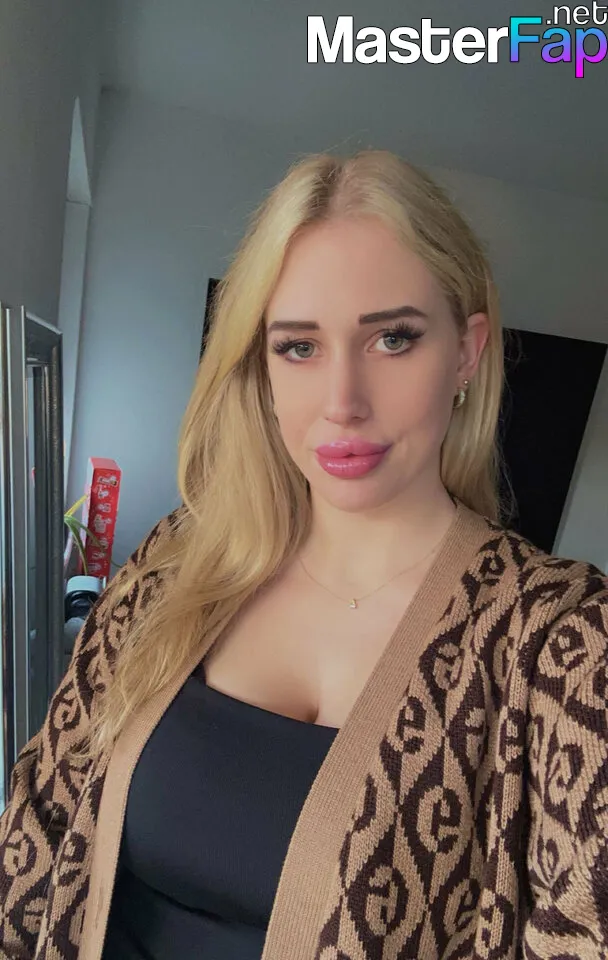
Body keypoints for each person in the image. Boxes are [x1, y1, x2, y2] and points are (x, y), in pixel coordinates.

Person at [0, 149, 607, 960]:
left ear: (466, 353)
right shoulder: (176, 566)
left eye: (393, 339)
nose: (342, 403)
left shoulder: (560, 643)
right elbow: (35, 837)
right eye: (299, 347)